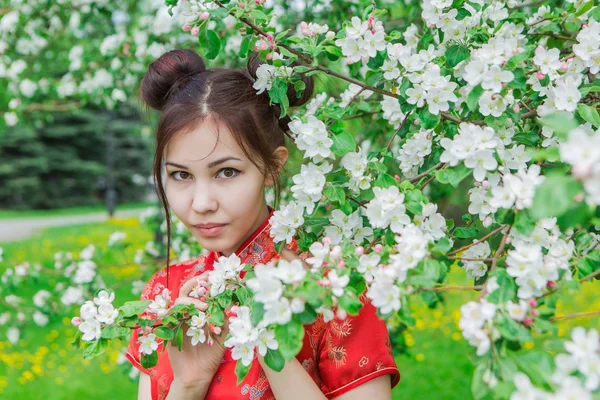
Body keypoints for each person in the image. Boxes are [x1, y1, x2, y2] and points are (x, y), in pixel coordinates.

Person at [126, 48, 400, 400]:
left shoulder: (335, 286)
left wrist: (272, 346)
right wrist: (189, 384)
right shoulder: (165, 293)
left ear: (272, 167)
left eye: (227, 172)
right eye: (180, 175)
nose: (201, 203)